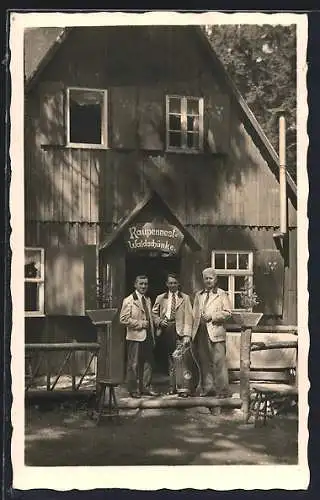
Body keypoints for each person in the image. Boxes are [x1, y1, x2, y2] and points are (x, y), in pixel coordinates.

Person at [192, 267, 232, 398]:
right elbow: (195, 314)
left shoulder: (222, 294)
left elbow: (228, 313)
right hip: (201, 331)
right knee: (204, 361)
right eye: (206, 278)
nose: (208, 281)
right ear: (203, 280)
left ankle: (223, 391)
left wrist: (212, 316)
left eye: (211, 278)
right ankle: (208, 389)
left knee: (219, 362)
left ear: (215, 279)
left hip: (216, 331)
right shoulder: (199, 295)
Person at [152, 273, 193, 397]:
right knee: (170, 360)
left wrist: (187, 335)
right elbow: (153, 314)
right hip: (166, 329)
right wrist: (159, 321)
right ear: (166, 284)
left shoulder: (184, 298)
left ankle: (183, 388)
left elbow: (189, 317)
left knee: (181, 359)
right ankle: (172, 386)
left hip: (179, 330)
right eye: (170, 283)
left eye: (175, 283)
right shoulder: (161, 298)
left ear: (178, 284)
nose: (172, 285)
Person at [120, 275, 158, 398]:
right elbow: (123, 319)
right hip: (135, 336)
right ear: (135, 285)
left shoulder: (147, 300)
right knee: (134, 364)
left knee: (148, 363)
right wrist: (140, 324)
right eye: (141, 284)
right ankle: (133, 389)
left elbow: (150, 317)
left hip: (147, 336)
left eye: (145, 284)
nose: (143, 286)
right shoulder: (129, 300)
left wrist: (153, 331)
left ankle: (145, 387)